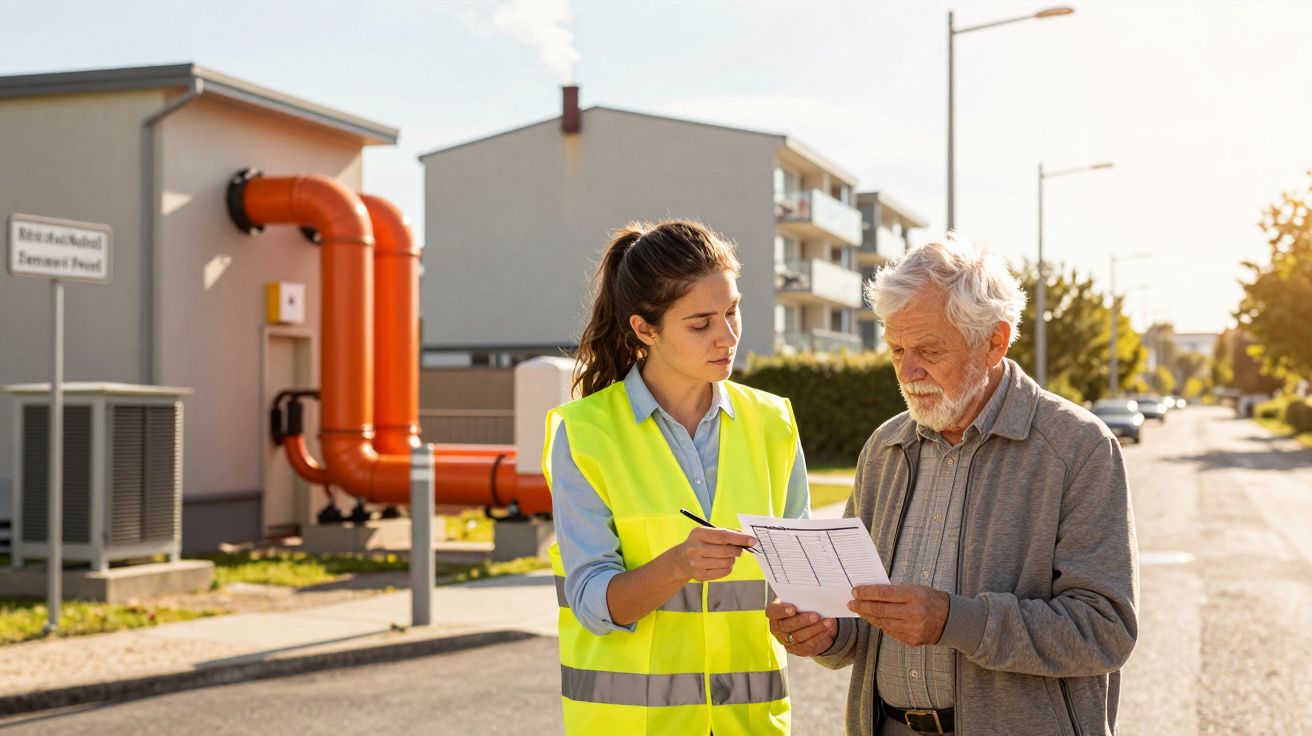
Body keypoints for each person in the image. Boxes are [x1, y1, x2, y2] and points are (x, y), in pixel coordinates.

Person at [766, 238, 1138, 736]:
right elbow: (858, 613)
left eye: (929, 349)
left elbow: (1105, 631)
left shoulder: (1078, 447)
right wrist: (827, 632)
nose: (908, 370)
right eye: (897, 350)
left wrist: (953, 621)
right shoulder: (885, 448)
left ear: (995, 343)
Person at [544, 220, 811, 736]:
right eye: (701, 323)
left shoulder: (774, 423)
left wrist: (812, 620)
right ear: (645, 329)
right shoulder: (584, 434)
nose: (728, 336)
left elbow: (802, 580)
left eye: (733, 311)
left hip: (752, 726)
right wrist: (678, 565)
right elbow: (592, 605)